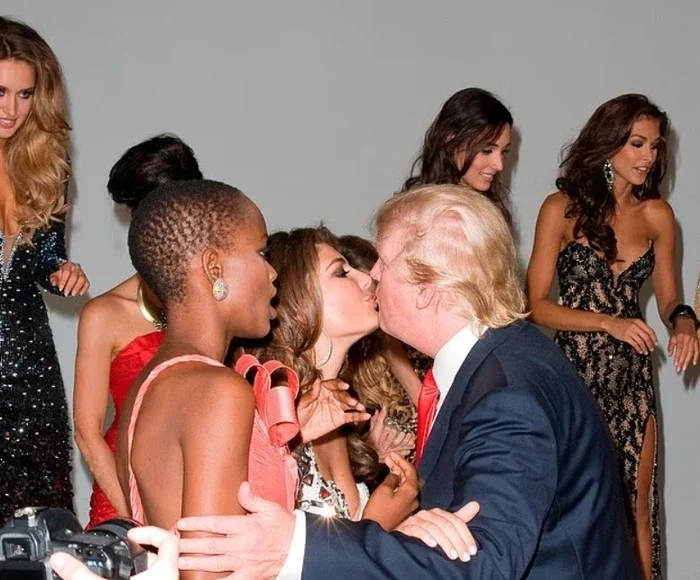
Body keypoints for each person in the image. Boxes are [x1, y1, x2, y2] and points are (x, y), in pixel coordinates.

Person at [177, 184, 639, 579]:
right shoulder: (500, 361)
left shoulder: (507, 394)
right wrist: (407, 533)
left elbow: (486, 562)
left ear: (427, 288)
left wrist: (301, 546)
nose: (372, 274)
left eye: (383, 261)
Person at [526, 93, 700, 579]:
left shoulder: (658, 215)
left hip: (632, 380)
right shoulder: (560, 209)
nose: (649, 157)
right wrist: (608, 322)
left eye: (655, 146)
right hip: (573, 376)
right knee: (578, 508)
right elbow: (535, 305)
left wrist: (685, 323)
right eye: (637, 144)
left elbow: (669, 299)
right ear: (608, 144)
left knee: (637, 508)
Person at [73, 134, 203, 529]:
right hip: (126, 503)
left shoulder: (222, 304)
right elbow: (87, 432)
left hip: (205, 492)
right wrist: (135, 516)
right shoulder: (105, 313)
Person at [245, 227, 415, 523]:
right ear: (299, 306)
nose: (367, 279)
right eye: (341, 272)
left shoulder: (336, 410)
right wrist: (379, 527)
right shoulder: (269, 417)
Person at [0, 15, 89, 520]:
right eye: (0, 92)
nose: (11, 110)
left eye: (25, 94)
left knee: (35, 517)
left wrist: (62, 269)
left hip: (30, 365)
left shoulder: (46, 164)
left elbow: (44, 257)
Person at [401, 87, 513, 224]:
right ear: (450, 140)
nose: (499, 165)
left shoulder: (488, 210)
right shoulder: (420, 215)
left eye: (504, 151)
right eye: (487, 150)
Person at [337, 233, 420, 418]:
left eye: (378, 284)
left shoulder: (415, 337)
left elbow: (434, 411)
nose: (373, 296)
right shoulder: (347, 359)